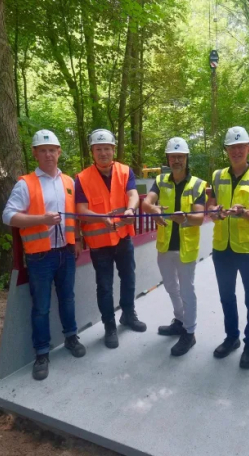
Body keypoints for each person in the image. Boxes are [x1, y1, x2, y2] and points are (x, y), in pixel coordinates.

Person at [2, 130, 86, 381]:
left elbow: (75, 215)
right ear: (35, 153)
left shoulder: (69, 182)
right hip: (40, 256)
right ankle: (41, 353)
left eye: (52, 150)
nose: (48, 154)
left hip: (66, 252)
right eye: (43, 150)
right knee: (41, 307)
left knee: (68, 299)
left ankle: (71, 338)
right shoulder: (25, 183)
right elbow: (8, 216)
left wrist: (78, 239)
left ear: (59, 152)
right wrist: (42, 220)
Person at [75, 129, 146, 349]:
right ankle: (109, 326)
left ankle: (128, 314)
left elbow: (133, 194)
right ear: (92, 152)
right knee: (104, 286)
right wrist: (100, 218)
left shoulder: (125, 172)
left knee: (129, 278)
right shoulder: (82, 178)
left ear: (113, 149)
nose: (103, 153)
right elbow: (80, 209)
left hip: (123, 237)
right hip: (99, 244)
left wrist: (130, 209)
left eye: (107, 148)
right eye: (99, 149)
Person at [207, 126, 249, 369]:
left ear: (248, 149)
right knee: (226, 296)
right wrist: (215, 212)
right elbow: (211, 207)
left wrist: (244, 213)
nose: (236, 151)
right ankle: (231, 337)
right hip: (222, 246)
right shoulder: (217, 175)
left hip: (248, 249)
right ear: (226, 150)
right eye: (232, 147)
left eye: (241, 147)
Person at [142, 137, 207, 356]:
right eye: (173, 156)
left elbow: (199, 217)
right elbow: (146, 202)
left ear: (186, 158)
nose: (177, 160)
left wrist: (183, 217)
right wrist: (154, 210)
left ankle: (190, 332)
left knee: (187, 290)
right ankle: (180, 320)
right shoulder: (160, 181)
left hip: (186, 247)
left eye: (180, 156)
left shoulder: (198, 184)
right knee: (170, 286)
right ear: (168, 159)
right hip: (165, 245)